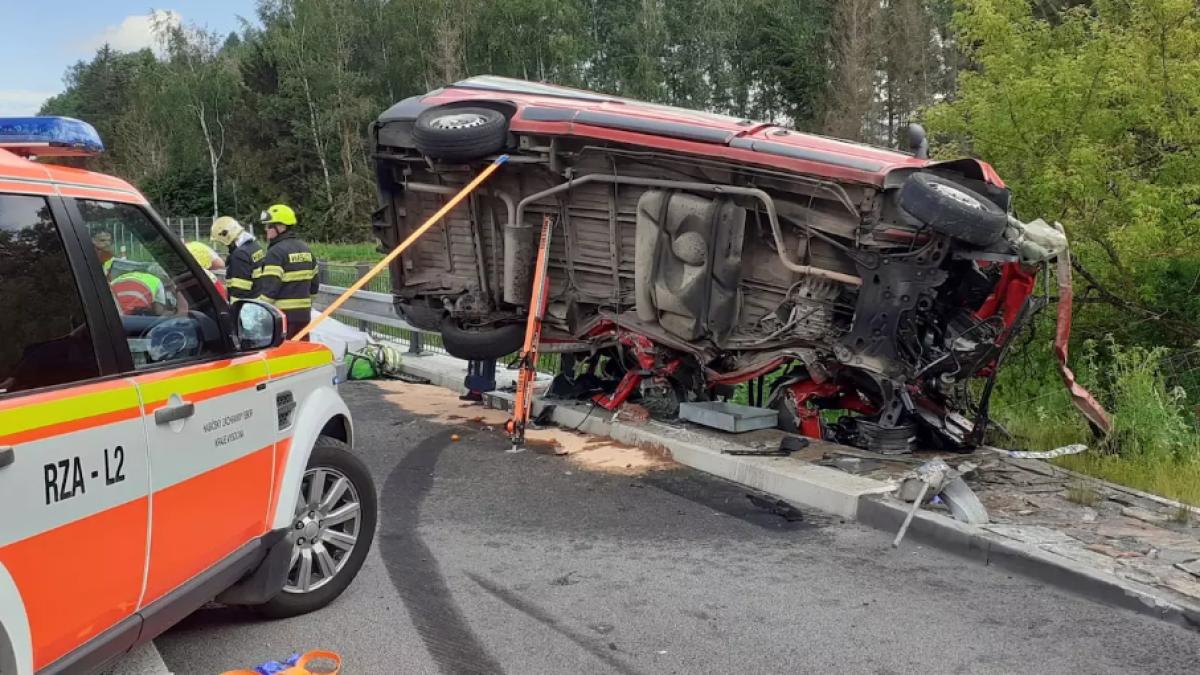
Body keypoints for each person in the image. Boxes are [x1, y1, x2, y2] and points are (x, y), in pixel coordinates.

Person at [258, 204, 319, 339]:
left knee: (282, 356)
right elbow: (314, 286)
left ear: (281, 227)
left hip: (282, 317)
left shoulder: (275, 252)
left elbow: (270, 290)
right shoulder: (306, 249)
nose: (266, 229)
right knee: (300, 353)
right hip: (304, 316)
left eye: (269, 226)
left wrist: (259, 310)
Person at [210, 216, 264, 302]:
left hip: (245, 307)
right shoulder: (255, 246)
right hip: (257, 299)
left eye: (221, 242)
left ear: (227, 236)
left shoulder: (239, 255)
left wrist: (235, 309)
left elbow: (239, 291)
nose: (223, 245)